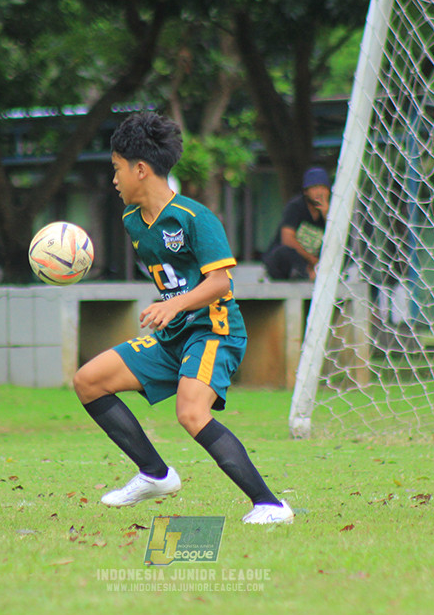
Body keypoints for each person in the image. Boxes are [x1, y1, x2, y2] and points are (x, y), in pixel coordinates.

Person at [72, 112, 293, 524]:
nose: (114, 179)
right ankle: (155, 475)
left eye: (117, 169)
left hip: (213, 330)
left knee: (191, 412)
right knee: (89, 381)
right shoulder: (132, 220)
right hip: (173, 335)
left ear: (140, 169)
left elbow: (221, 282)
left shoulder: (195, 217)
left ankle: (270, 505)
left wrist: (173, 304)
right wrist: (170, 309)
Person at [262, 167, 332, 280]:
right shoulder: (296, 207)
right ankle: (305, 274)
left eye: (323, 188)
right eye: (314, 188)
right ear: (306, 191)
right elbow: (287, 239)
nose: (319, 192)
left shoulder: (333, 210)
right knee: (284, 252)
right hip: (291, 261)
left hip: (315, 263)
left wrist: (327, 215)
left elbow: (338, 241)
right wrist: (311, 260)